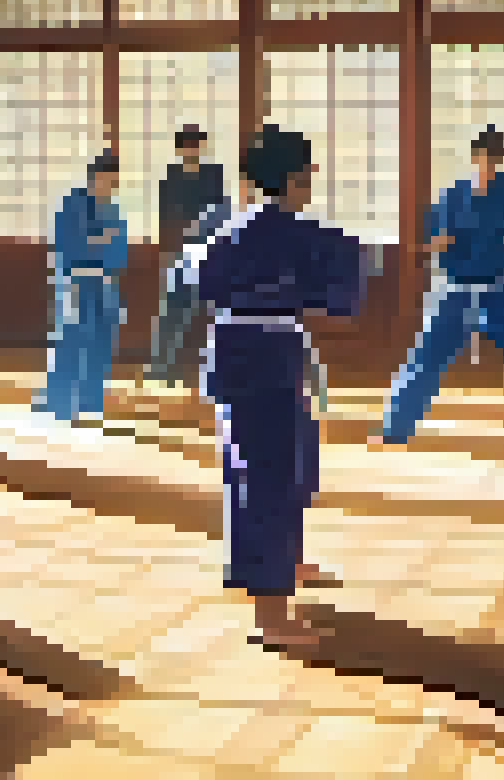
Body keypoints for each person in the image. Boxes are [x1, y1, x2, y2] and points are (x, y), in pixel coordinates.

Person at [187, 125, 366, 649]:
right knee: (272, 475)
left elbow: (199, 283)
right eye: (307, 171)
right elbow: (338, 303)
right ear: (292, 178)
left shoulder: (225, 231)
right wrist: (295, 297)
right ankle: (271, 610)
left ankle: (278, 562)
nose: (311, 179)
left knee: (268, 467)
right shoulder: (305, 235)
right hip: (268, 355)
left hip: (230, 352)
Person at [372, 126, 504, 446]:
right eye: (482, 159)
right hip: (455, 290)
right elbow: (428, 244)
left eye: (493, 160)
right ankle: (395, 428)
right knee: (426, 356)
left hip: (501, 288)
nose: (487, 166)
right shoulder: (452, 195)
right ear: (473, 158)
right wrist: (438, 244)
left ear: (502, 161)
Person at [44, 152, 129, 422]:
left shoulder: (112, 209)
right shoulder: (72, 204)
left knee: (101, 343)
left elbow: (119, 252)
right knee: (72, 340)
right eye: (109, 181)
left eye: (114, 183)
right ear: (97, 177)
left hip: (104, 282)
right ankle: (59, 405)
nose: (111, 187)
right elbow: (65, 246)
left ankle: (92, 404)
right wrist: (98, 240)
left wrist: (97, 242)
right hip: (74, 281)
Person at [148, 126, 229, 387]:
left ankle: (219, 370)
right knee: (172, 311)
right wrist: (172, 246)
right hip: (177, 251)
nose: (192, 150)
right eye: (187, 145)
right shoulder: (170, 178)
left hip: (209, 250)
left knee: (217, 312)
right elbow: (165, 216)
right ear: (180, 149)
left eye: (196, 144)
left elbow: (223, 212)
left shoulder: (214, 176)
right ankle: (163, 369)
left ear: (201, 147)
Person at [150, 195, 238, 389]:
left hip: (218, 275)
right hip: (192, 270)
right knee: (172, 322)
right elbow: (194, 236)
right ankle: (161, 371)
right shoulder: (224, 209)